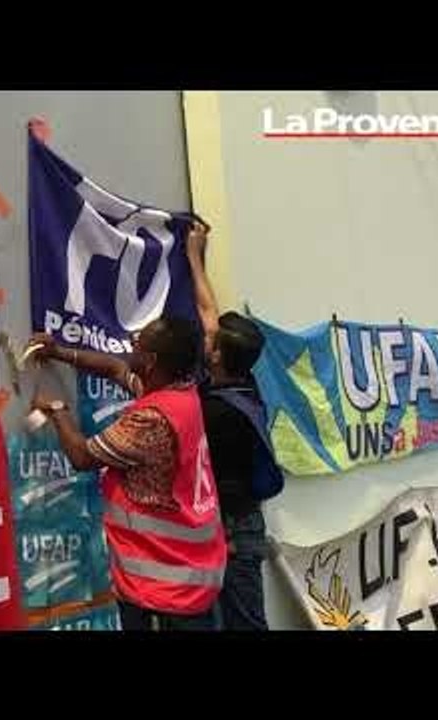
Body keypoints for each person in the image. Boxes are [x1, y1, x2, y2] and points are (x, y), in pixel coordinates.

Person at [29, 310, 227, 631]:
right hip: (191, 575)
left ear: (150, 361)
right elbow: (116, 368)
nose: (130, 347)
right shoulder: (180, 395)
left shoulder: (151, 419)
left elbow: (82, 456)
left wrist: (57, 409)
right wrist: (59, 352)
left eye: (137, 344)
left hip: (164, 591)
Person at [186, 221, 278, 631]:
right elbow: (210, 315)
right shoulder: (242, 382)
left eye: (212, 342)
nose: (205, 338)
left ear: (218, 356)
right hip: (235, 525)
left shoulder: (218, 411)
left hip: (233, 534)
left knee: (244, 623)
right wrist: (194, 254)